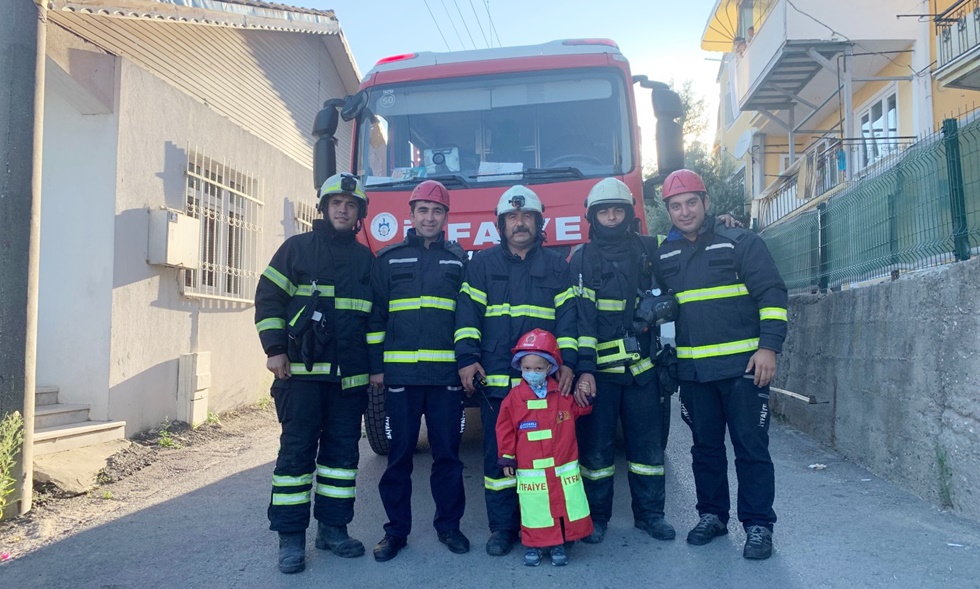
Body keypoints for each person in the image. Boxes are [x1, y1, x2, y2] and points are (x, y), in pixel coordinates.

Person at [652, 168, 788, 560]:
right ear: (668, 211)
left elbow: (773, 295)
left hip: (744, 371)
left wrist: (769, 348)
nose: (684, 211)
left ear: (707, 203)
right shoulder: (665, 254)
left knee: (751, 449)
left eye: (691, 202)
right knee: (704, 450)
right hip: (694, 374)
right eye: (675, 205)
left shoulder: (742, 241)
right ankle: (712, 516)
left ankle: (758, 524)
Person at [254, 173, 374, 574]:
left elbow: (373, 320)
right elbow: (269, 297)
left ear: (359, 214)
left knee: (342, 459)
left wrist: (374, 369)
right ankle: (290, 540)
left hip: (349, 380)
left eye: (351, 204)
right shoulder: (296, 249)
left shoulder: (364, 260)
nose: (343, 209)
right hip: (301, 377)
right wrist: (274, 349)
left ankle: (333, 530)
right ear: (323, 208)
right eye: (336, 202)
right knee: (296, 455)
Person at [455, 185, 580, 556]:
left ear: (539, 222)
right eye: (512, 217)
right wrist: (466, 358)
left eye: (526, 216)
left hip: (545, 386)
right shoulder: (481, 265)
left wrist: (569, 363)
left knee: (550, 461)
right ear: (501, 224)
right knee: (502, 460)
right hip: (498, 383)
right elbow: (467, 317)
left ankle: (553, 528)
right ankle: (503, 529)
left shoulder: (558, 267)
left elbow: (569, 321)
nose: (520, 223)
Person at [569, 177, 676, 545]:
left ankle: (650, 516)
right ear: (592, 217)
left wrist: (724, 223)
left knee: (647, 450)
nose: (611, 217)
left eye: (617, 210)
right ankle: (596, 519)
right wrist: (584, 371)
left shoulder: (652, 248)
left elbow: (688, 254)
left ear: (629, 214)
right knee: (595, 454)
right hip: (599, 374)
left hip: (644, 372)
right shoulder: (580, 257)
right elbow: (580, 318)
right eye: (604, 211)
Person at [367, 180, 470, 562]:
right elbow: (376, 316)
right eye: (423, 210)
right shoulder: (388, 259)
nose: (429, 217)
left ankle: (449, 527)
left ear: (446, 217)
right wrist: (376, 368)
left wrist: (464, 365)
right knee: (399, 459)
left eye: (437, 210)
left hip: (445, 381)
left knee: (448, 457)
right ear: (411, 215)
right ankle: (395, 533)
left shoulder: (459, 261)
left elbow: (467, 317)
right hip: (400, 381)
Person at [496, 329, 595, 567]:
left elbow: (577, 410)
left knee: (562, 506)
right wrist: (507, 457)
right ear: (520, 367)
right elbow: (505, 428)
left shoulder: (561, 394)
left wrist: (586, 397)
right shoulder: (514, 398)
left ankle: (559, 542)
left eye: (538, 369)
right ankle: (533, 545)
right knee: (534, 509)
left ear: (550, 368)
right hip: (533, 472)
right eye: (527, 368)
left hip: (561, 468)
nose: (532, 373)